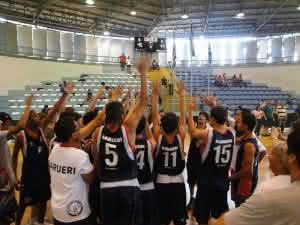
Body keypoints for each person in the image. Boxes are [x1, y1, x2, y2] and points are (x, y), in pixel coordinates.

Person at [92, 58, 150, 225]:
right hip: (128, 187)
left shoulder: (97, 132)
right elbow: (143, 101)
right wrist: (143, 74)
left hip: (106, 188)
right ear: (122, 116)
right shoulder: (128, 127)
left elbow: (97, 159)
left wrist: (113, 99)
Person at [209, 122, 300, 225]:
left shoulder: (269, 195)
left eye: (240, 120)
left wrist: (231, 178)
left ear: (291, 158)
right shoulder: (248, 140)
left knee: (240, 203)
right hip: (246, 182)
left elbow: (222, 223)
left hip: (243, 183)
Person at [13, 84, 75, 225]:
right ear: (28, 119)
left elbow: (53, 112)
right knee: (23, 205)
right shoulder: (21, 136)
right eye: (34, 116)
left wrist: (64, 95)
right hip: (29, 176)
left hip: (43, 174)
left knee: (42, 203)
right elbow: (14, 157)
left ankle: (39, 223)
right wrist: (14, 177)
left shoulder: (41, 129)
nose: (38, 118)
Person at [49, 110, 105, 225]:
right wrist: (95, 157)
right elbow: (89, 179)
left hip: (57, 211)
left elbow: (70, 163)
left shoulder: (54, 150)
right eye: (78, 129)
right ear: (73, 135)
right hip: (77, 213)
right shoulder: (80, 156)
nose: (80, 131)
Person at [188, 96, 235, 225]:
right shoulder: (231, 132)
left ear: (212, 119)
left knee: (202, 217)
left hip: (207, 183)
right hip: (222, 182)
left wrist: (190, 111)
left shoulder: (208, 133)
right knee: (220, 216)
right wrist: (214, 106)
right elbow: (224, 118)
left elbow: (192, 132)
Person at [151, 80, 187, 225]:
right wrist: (182, 96)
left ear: (162, 126)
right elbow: (183, 118)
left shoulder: (158, 136)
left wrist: (155, 96)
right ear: (177, 126)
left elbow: (154, 115)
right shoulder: (180, 137)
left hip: (161, 181)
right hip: (178, 181)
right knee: (179, 220)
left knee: (163, 220)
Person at [0, 96, 32, 225]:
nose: (9, 126)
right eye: (8, 123)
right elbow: (20, 126)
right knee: (4, 217)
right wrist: (28, 106)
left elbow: (7, 161)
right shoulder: (0, 135)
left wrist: (14, 180)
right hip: (3, 186)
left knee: (8, 216)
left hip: (6, 183)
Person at [230, 110, 259, 206]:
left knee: (241, 207)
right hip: (240, 180)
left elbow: (247, 170)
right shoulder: (246, 137)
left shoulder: (249, 145)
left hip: (244, 183)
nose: (237, 123)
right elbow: (237, 140)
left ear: (245, 125)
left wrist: (230, 178)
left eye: (239, 122)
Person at [134, 116, 157, 225]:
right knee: (148, 220)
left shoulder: (127, 143)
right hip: (148, 186)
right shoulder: (150, 144)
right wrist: (146, 123)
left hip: (132, 186)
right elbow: (151, 136)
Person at [186, 111, 209, 220]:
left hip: (201, 161)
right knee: (190, 181)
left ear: (206, 121)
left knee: (200, 183)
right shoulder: (194, 130)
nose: (200, 119)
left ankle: (199, 203)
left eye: (202, 118)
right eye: (199, 117)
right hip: (192, 159)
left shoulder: (208, 132)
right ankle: (190, 201)